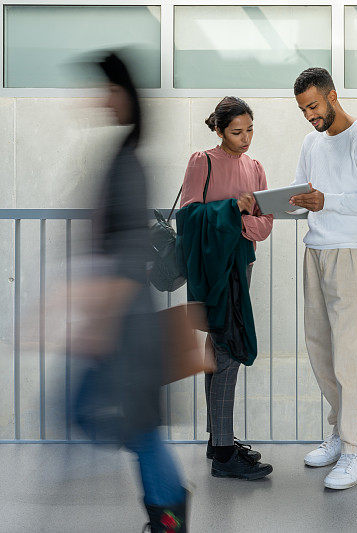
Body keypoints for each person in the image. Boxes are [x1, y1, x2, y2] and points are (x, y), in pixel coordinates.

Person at [72, 52, 188, 532]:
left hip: (124, 321)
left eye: (109, 90)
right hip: (119, 319)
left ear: (126, 96)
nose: (101, 100)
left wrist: (98, 324)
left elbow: (127, 252)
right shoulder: (123, 155)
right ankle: (166, 507)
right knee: (130, 423)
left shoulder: (129, 165)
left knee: (115, 419)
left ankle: (168, 510)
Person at [290, 67, 357, 490]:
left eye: (314, 106)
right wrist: (280, 204)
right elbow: (302, 194)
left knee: (347, 354)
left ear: (333, 96)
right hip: (315, 250)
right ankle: (337, 434)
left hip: (351, 253)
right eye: (303, 110)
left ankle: (356, 449)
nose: (310, 116)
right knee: (320, 352)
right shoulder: (311, 141)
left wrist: (326, 200)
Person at [177, 96, 273, 480]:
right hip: (212, 270)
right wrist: (235, 210)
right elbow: (188, 216)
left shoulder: (256, 166)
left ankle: (217, 440)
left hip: (242, 265)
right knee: (228, 350)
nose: (246, 138)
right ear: (219, 130)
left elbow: (264, 227)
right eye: (237, 131)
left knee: (217, 350)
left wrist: (245, 218)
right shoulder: (203, 160)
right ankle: (224, 452)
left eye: (250, 129)